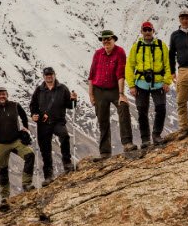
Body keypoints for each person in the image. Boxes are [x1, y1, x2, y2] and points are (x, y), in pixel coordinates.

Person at [0, 87, 35, 209]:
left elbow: (24, 116)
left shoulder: (15, 105)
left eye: (3, 94)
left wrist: (25, 127)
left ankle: (27, 184)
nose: (1, 96)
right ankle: (5, 197)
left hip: (16, 141)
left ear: (7, 95)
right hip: (1, 144)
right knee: (3, 169)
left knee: (30, 155)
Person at [88, 29, 137, 158]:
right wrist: (91, 95)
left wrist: (121, 93)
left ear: (113, 39)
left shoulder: (120, 52)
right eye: (104, 39)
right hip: (99, 90)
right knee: (102, 119)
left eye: (108, 39)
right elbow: (91, 75)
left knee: (123, 107)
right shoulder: (98, 54)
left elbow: (121, 74)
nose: (106, 41)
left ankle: (127, 143)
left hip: (114, 89)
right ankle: (105, 151)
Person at [126, 21, 172, 147]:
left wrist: (167, 81)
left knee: (161, 108)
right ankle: (145, 139)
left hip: (158, 83)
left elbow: (168, 65)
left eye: (149, 30)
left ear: (153, 31)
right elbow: (130, 66)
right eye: (145, 30)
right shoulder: (137, 46)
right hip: (141, 83)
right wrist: (131, 85)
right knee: (142, 111)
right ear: (141, 32)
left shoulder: (161, 46)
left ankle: (156, 135)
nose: (147, 32)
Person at [29, 67, 77, 186]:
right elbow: (33, 105)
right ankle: (48, 176)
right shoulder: (39, 90)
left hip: (58, 121)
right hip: (43, 123)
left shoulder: (62, 88)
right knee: (45, 149)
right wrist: (34, 115)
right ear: (44, 76)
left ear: (54, 75)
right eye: (47, 75)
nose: (49, 76)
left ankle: (67, 163)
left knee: (64, 136)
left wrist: (74, 100)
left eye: (50, 74)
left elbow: (70, 106)